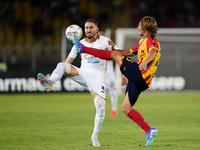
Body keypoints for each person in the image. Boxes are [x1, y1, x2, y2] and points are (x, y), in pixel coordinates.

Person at [72, 16, 160, 147]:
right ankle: (149, 131)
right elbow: (129, 52)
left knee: (114, 55)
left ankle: (82, 48)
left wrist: (145, 62)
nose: (137, 28)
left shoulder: (151, 41)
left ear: (146, 28)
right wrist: (113, 51)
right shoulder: (142, 42)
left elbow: (153, 52)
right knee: (126, 108)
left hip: (140, 74)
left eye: (139, 26)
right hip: (141, 81)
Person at [37, 19, 117, 146]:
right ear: (83, 30)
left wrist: (123, 71)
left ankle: (94, 136)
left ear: (96, 29)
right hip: (83, 74)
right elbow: (68, 61)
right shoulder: (78, 44)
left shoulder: (105, 41)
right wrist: (62, 71)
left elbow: (118, 54)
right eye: (86, 28)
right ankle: (50, 82)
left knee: (101, 108)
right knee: (62, 65)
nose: (88, 30)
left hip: (98, 78)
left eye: (91, 27)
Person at [98, 30, 118, 117]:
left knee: (112, 89)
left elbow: (115, 55)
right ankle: (100, 110)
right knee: (100, 91)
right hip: (100, 70)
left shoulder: (109, 45)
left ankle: (114, 109)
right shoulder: (95, 46)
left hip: (109, 70)